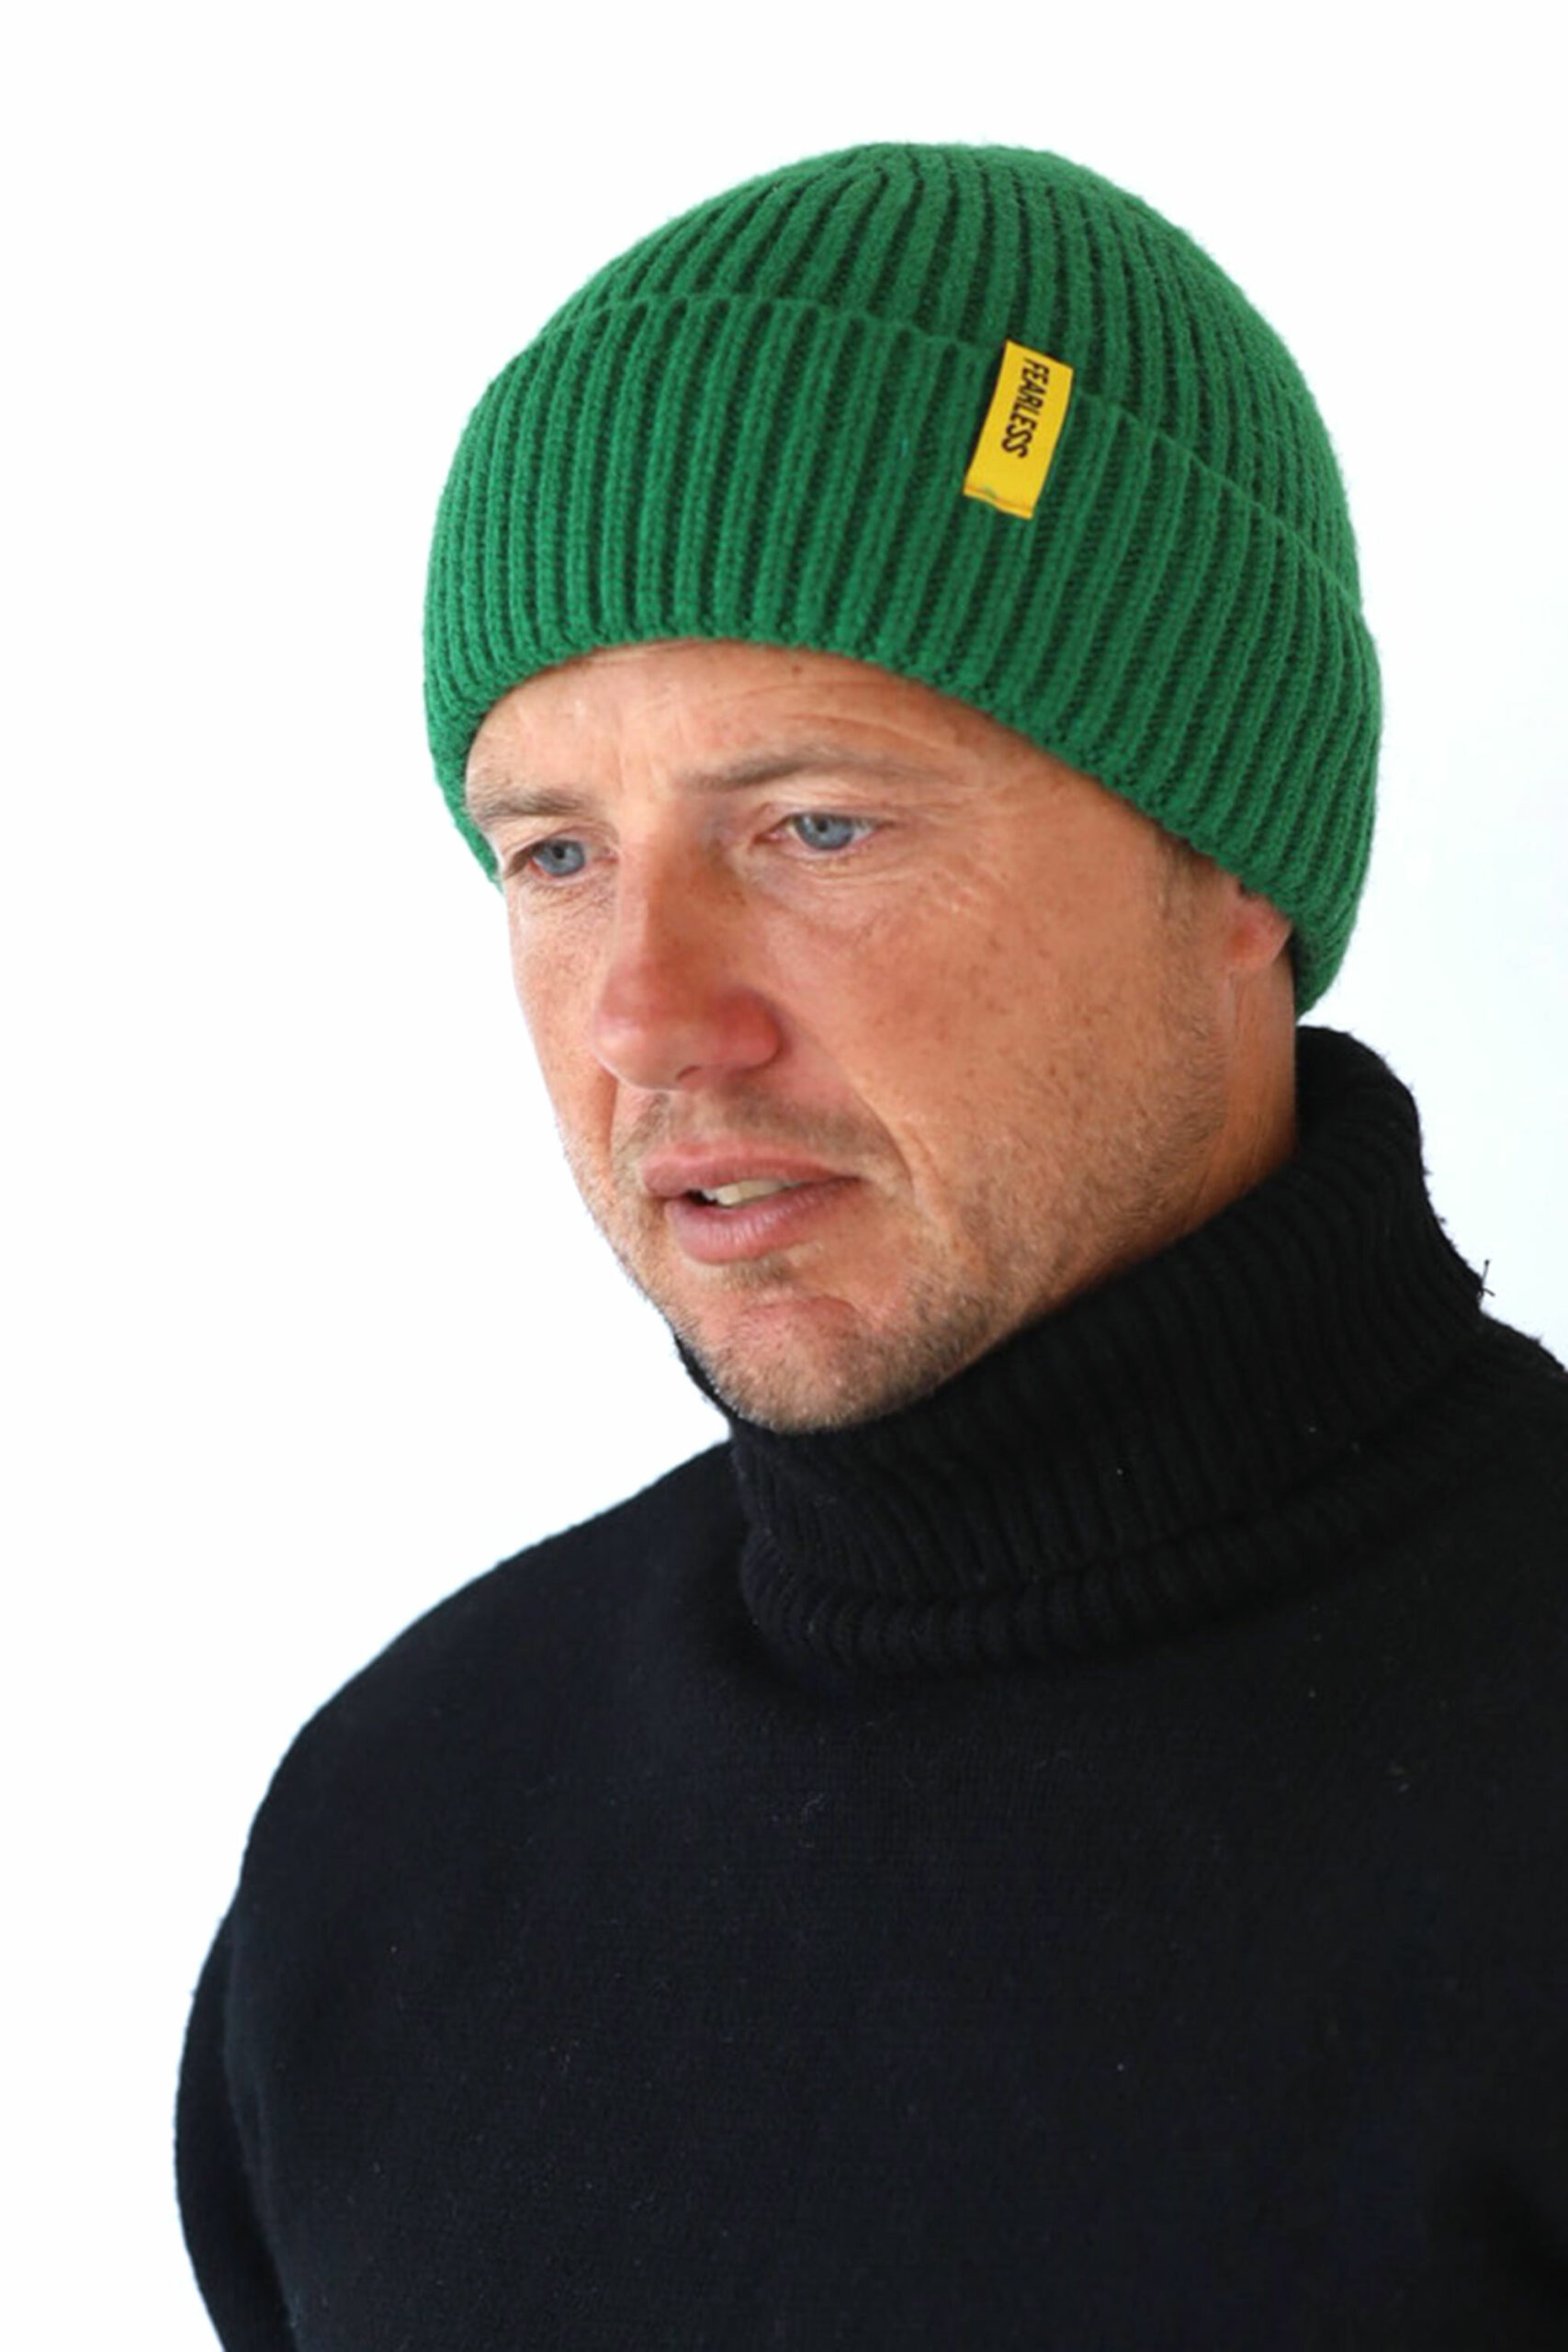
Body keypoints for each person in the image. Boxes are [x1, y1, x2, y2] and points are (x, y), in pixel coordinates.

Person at [175, 142, 1568, 2348]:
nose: (646, 1017)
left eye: (814, 824)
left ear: (1231, 861)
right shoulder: (401, 1836)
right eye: (553, 854)